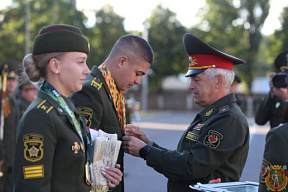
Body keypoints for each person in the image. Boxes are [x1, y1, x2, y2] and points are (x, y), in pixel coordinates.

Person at [122, 33, 250, 192]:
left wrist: (145, 151)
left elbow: (191, 166)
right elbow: (183, 158)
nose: (190, 86)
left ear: (218, 81)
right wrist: (148, 143)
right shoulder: (213, 114)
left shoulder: (229, 119)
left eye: (197, 80)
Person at [13, 24, 122, 192]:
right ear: (55, 66)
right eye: (80, 62)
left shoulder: (67, 107)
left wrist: (101, 178)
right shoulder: (40, 116)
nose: (87, 70)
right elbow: (32, 187)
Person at [71, 34, 154, 192]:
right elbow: (80, 154)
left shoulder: (112, 91)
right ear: (122, 61)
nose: (138, 81)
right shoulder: (91, 91)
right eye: (138, 73)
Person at [255, 49, 288, 129]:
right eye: (284, 76)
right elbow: (259, 120)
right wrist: (271, 94)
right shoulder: (278, 94)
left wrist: (286, 100)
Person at [0, 61, 20, 192]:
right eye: (8, 79)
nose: (11, 83)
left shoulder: (14, 102)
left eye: (14, 80)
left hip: (12, 159)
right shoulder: (2, 102)